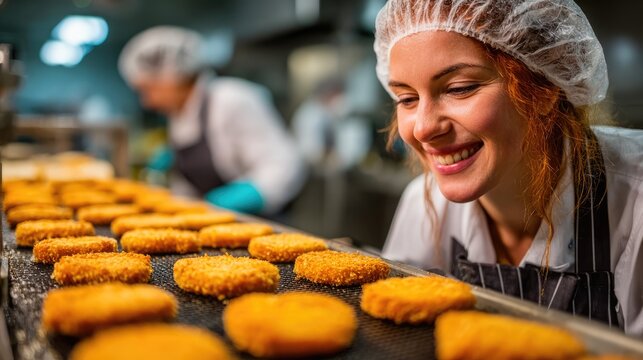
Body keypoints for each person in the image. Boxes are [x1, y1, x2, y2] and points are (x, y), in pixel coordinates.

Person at [374, 0, 643, 335]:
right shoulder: (423, 202)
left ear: (544, 88)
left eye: (460, 88)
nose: (423, 128)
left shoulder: (635, 200)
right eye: (407, 99)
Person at [119, 26, 306, 215]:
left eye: (148, 89)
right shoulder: (179, 113)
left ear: (173, 77)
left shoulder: (231, 99)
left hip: (258, 220)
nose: (147, 102)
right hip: (214, 219)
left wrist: (249, 194)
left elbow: (285, 165)